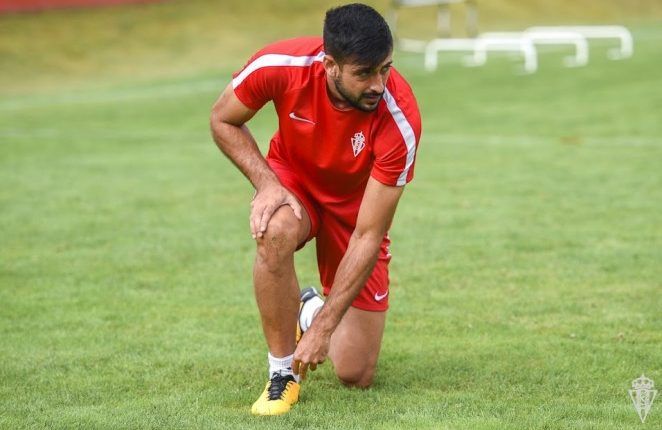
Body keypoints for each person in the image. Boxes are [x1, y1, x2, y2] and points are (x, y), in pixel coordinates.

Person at [210, 2, 421, 416]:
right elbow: (223, 119)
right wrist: (268, 184)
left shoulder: (399, 118)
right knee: (275, 228)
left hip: (356, 214)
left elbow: (368, 234)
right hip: (296, 184)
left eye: (385, 69)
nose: (378, 84)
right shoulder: (280, 64)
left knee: (355, 374)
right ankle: (281, 374)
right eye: (364, 73)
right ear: (330, 66)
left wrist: (323, 328)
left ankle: (307, 309)